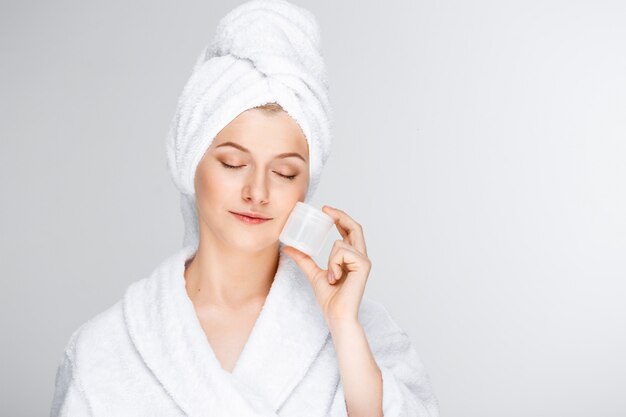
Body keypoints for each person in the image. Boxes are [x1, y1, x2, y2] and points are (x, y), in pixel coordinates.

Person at [50, 1, 440, 416]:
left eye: (285, 173)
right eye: (234, 164)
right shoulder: (104, 350)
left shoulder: (364, 334)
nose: (258, 191)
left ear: (306, 187)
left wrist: (344, 328)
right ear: (189, 162)